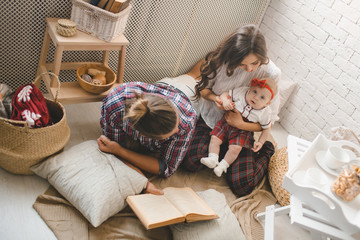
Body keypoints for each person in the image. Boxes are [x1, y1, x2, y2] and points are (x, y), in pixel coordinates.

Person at [181, 24, 282, 196]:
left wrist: (240, 124)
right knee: (190, 161)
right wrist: (217, 99)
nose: (250, 69)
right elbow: (203, 90)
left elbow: (267, 121)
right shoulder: (221, 61)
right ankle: (219, 154)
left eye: (255, 63)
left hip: (243, 130)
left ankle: (267, 150)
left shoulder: (271, 74)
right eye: (242, 64)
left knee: (243, 185)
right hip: (213, 121)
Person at [97, 81, 197, 194]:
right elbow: (113, 149)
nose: (177, 130)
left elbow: (166, 168)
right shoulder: (114, 107)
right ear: (145, 136)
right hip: (136, 100)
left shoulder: (186, 121)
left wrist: (119, 150)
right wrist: (119, 150)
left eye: (176, 122)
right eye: (172, 132)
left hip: (179, 93)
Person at [200, 77, 278, 177]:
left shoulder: (265, 112)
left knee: (235, 148)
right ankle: (212, 158)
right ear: (250, 89)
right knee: (215, 138)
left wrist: (261, 142)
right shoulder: (243, 92)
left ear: (267, 103)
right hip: (225, 123)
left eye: (262, 98)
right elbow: (226, 94)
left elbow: (267, 128)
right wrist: (225, 101)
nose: (256, 97)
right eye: (254, 91)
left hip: (243, 131)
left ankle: (223, 166)